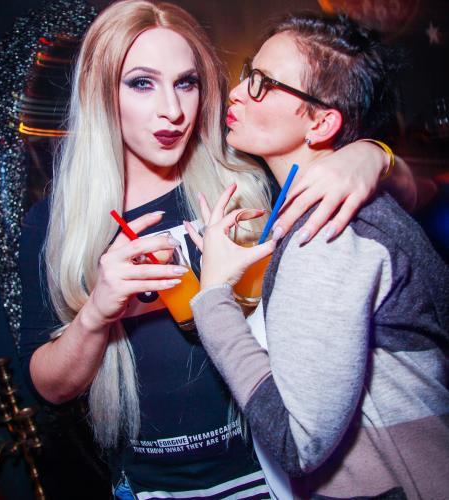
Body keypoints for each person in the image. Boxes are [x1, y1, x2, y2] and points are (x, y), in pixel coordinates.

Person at [18, 1, 418, 497]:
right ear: (100, 92)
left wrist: (371, 156)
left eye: (186, 82)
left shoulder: (250, 176)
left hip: (279, 472)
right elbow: (52, 388)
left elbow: (412, 197)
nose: (173, 110)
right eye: (141, 83)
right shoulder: (57, 224)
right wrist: (97, 314)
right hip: (158, 484)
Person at [189, 12, 449, 499]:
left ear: (322, 122)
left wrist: (213, 296)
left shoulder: (325, 232)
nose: (237, 92)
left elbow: (299, 442)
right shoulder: (331, 209)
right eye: (247, 74)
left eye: (263, 84)